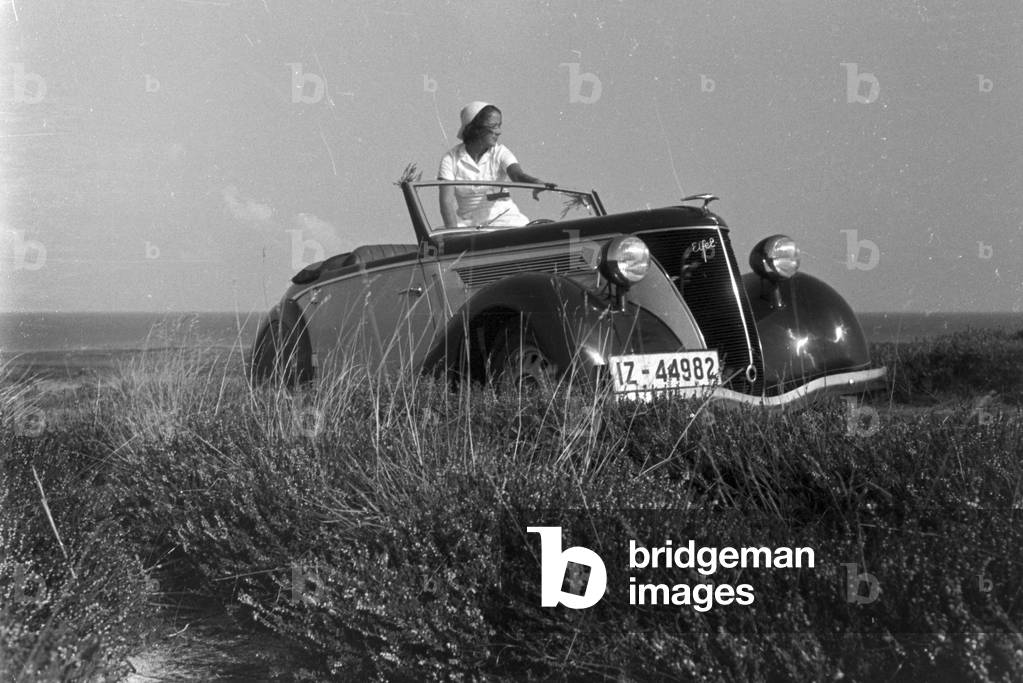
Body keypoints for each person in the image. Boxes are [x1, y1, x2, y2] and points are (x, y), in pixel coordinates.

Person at [437, 101, 555, 228]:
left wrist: (535, 182)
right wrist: (454, 235)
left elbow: (517, 175)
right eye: (493, 126)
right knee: (438, 236)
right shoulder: (450, 159)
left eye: (499, 126)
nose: (499, 132)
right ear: (475, 129)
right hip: (470, 225)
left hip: (507, 220)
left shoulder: (500, 152)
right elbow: (446, 201)